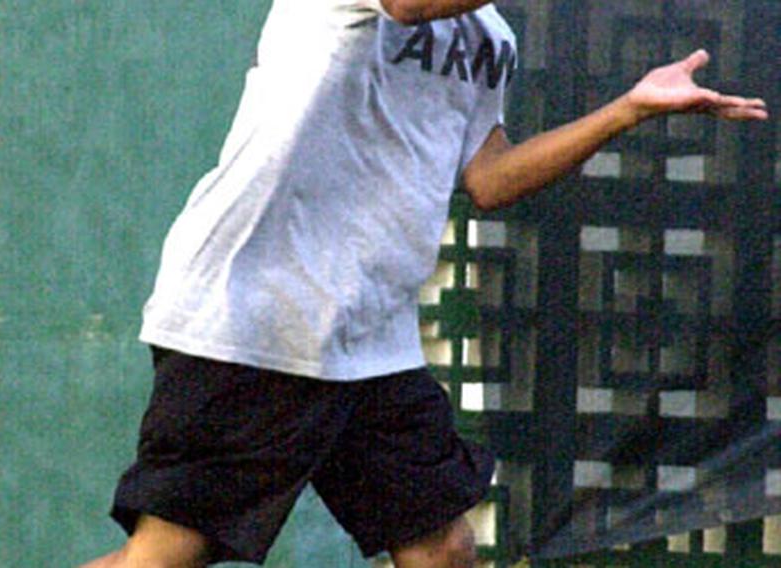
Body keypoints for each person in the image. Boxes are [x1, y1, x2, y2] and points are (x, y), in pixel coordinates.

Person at [83, 1, 767, 566]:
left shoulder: (489, 34)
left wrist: (629, 109)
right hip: (254, 315)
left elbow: (489, 177)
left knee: (442, 549)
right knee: (170, 553)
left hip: (371, 342)